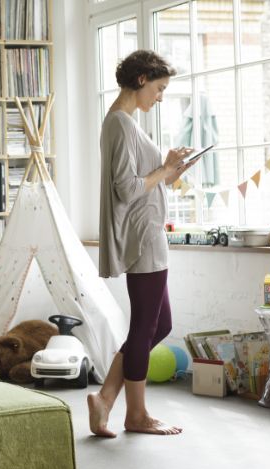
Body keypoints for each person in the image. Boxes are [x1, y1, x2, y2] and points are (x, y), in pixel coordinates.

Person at [88, 49, 203, 437]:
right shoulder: (120, 123)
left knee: (159, 323)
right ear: (141, 80)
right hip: (143, 238)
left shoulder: (127, 123)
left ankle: (105, 398)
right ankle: (134, 415)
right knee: (145, 325)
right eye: (159, 88)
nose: (161, 96)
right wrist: (165, 170)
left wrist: (171, 170)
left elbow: (147, 180)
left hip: (149, 233)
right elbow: (127, 189)